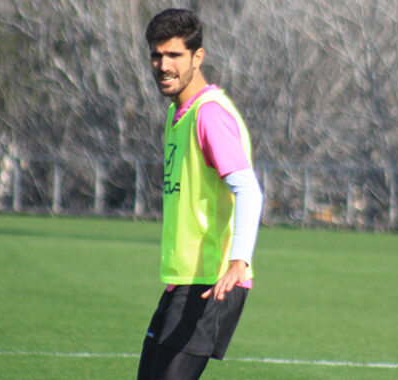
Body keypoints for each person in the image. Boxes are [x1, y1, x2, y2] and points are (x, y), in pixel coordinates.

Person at [137, 8, 263, 380]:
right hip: (185, 283)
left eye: (174, 55)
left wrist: (239, 262)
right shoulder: (179, 116)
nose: (163, 65)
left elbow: (249, 191)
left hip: (212, 284)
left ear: (197, 57)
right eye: (157, 55)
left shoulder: (208, 115)